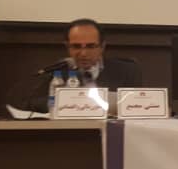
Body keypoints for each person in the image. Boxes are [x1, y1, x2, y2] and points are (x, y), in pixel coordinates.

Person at [8, 18, 142, 113]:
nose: (83, 53)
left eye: (90, 46)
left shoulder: (126, 71)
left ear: (102, 47)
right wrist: (59, 102)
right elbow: (28, 103)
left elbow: (137, 108)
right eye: (76, 46)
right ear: (67, 47)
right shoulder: (58, 71)